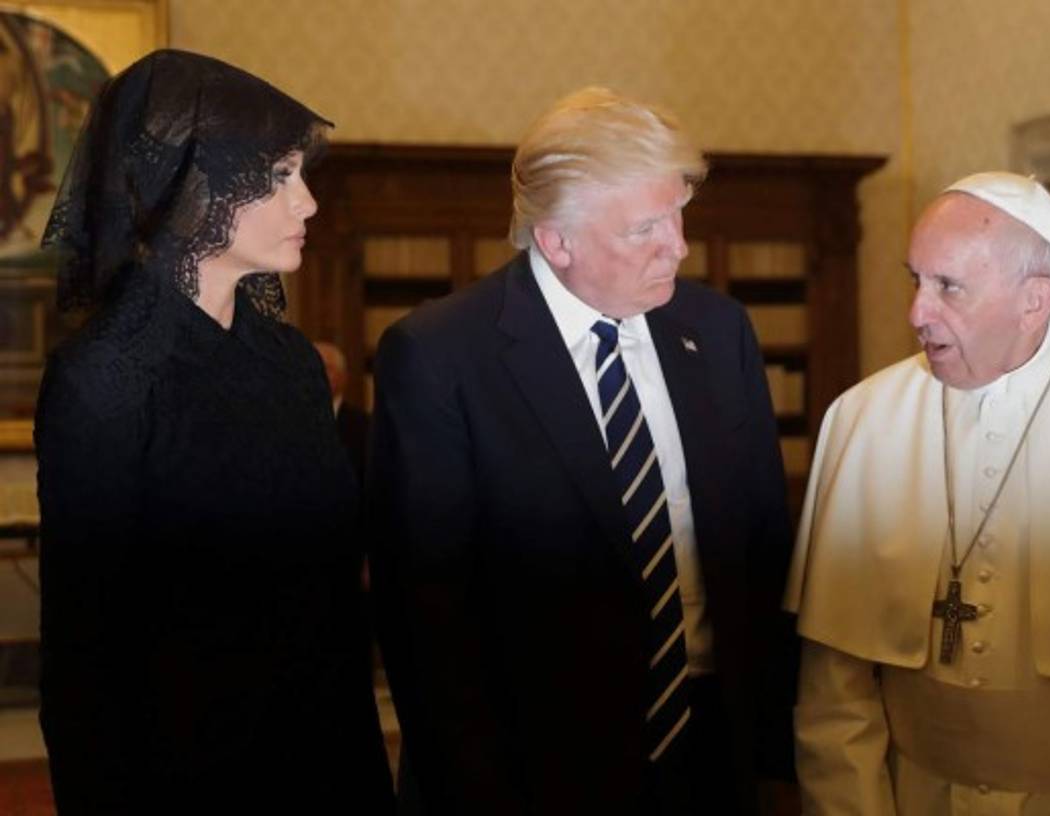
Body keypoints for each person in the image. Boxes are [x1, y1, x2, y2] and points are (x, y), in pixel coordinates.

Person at [368, 86, 795, 816]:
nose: (680, 247)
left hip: (710, 755)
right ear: (555, 240)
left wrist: (776, 761)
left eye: (679, 217)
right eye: (645, 229)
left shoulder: (719, 332)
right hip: (533, 770)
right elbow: (427, 620)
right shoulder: (441, 355)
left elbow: (761, 553)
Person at [785, 171, 1050, 815]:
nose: (916, 313)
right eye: (916, 279)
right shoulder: (862, 421)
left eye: (948, 287)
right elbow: (834, 699)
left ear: (1034, 300)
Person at [35, 49, 394, 814]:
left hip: (328, 762)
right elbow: (83, 658)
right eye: (277, 176)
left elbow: (331, 604)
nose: (309, 203)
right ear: (193, 187)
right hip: (186, 779)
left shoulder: (292, 361)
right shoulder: (104, 379)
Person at [314, 340, 371, 486]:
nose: (317, 374)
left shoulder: (366, 426)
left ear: (343, 376)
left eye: (326, 368)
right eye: (312, 367)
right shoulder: (289, 422)